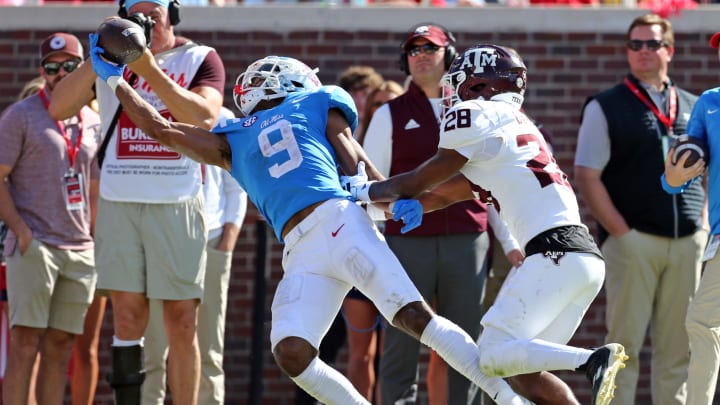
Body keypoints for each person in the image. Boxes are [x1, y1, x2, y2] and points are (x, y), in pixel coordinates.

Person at [89, 47, 539, 404]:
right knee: (292, 351)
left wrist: (381, 194)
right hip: (300, 247)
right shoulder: (252, 129)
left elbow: (348, 151)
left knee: (412, 316)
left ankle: (505, 397)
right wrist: (113, 79)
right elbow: (163, 131)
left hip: (337, 219)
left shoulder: (275, 117)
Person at [342, 43, 629, 405]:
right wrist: (377, 211)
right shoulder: (513, 126)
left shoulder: (476, 114)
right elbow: (442, 196)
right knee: (521, 367)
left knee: (492, 353)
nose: (452, 93)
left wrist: (363, 190)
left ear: (480, 87)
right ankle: (587, 365)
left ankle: (591, 358)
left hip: (553, 254)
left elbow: (416, 181)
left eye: (459, 83)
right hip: (581, 259)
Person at [48, 1, 226, 403]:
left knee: (182, 320)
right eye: (137, 12)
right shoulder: (107, 58)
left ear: (173, 13)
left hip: (177, 200)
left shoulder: (201, 58)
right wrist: (97, 62)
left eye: (155, 10)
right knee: (127, 318)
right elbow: (58, 108)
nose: (147, 18)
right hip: (120, 200)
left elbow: (203, 117)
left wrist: (146, 68)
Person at [574, 13, 707, 405]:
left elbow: (705, 172)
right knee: (623, 348)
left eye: (652, 43)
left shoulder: (695, 106)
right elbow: (586, 174)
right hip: (633, 243)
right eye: (635, 44)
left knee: (678, 349)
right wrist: (620, 233)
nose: (643, 51)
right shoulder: (606, 105)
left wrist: (700, 227)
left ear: (670, 50)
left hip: (686, 244)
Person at [362, 23, 490, 405]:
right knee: (401, 341)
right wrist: (379, 230)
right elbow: (372, 180)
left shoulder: (476, 110)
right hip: (407, 242)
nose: (420, 56)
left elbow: (494, 177)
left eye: (429, 48)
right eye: (413, 50)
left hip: (467, 239)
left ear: (449, 55)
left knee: (466, 344)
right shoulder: (389, 114)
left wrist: (512, 241)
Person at [0, 32, 102, 405]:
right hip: (35, 244)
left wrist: (95, 240)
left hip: (79, 248)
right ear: (42, 71)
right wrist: (21, 229)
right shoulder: (21, 115)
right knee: (25, 343)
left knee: (61, 346)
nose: (61, 73)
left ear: (82, 68)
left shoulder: (92, 120)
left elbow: (93, 187)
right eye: (52, 67)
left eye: (70, 66)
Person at [142, 109, 248, 405]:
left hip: (211, 239)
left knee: (209, 346)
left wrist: (227, 240)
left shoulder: (223, 118)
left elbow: (236, 184)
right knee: (152, 348)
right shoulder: (150, 109)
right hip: (161, 239)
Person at [660, 31, 720, 405]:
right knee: (704, 324)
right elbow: (674, 176)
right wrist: (674, 176)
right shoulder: (709, 103)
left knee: (702, 323)